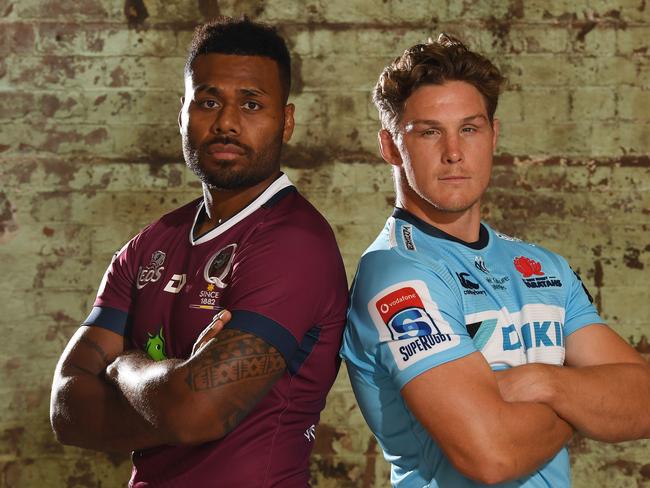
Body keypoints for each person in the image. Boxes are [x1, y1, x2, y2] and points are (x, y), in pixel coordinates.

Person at [340, 34, 650, 487]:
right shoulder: (396, 273)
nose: (453, 152)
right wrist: (586, 404)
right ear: (389, 147)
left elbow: (642, 399)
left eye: (469, 128)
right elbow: (493, 454)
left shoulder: (543, 268)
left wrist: (544, 382)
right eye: (429, 131)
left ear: (493, 134)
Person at [50, 17, 348, 487]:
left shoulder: (294, 243)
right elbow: (65, 409)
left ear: (286, 122)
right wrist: (173, 393)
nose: (227, 122)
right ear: (182, 114)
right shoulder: (149, 244)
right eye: (208, 102)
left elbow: (196, 414)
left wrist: (126, 365)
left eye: (251, 104)